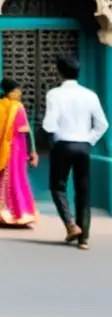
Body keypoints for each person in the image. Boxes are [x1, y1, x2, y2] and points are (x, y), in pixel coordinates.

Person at [42, 53, 108, 250]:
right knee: (83, 190)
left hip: (63, 145)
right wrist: (89, 140)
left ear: (59, 72)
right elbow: (102, 124)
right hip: (83, 146)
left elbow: (50, 122)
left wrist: (48, 133)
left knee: (58, 187)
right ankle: (84, 239)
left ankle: (71, 225)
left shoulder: (54, 94)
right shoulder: (90, 95)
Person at [0, 78, 39, 227]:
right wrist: (33, 151)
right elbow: (26, 131)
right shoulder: (17, 107)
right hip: (16, 149)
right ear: (8, 92)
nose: (19, 93)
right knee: (15, 178)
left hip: (1, 150)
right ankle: (17, 213)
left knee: (2, 178)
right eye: (16, 90)